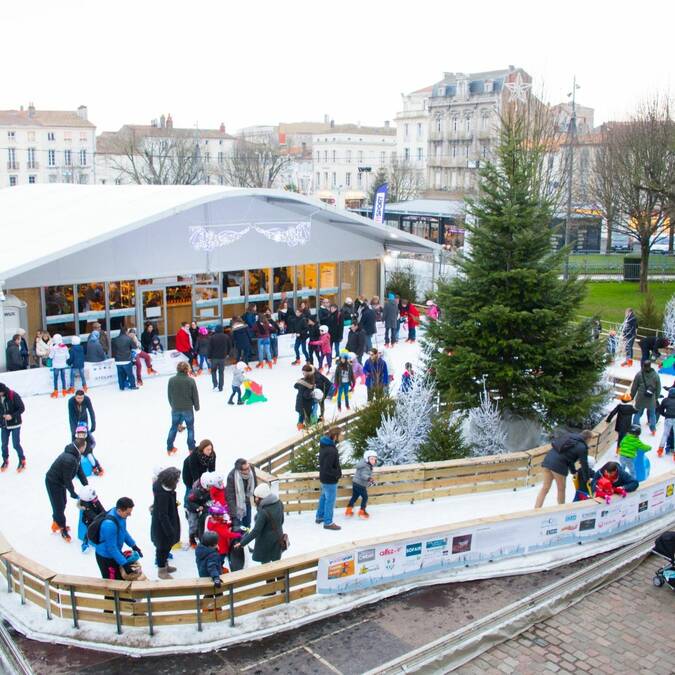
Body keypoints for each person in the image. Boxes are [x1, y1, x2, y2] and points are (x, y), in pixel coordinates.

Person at [534, 430, 592, 508]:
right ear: (588, 439)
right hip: (558, 465)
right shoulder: (582, 447)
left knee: (545, 488)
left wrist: (573, 471)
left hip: (548, 460)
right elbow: (584, 464)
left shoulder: (569, 436)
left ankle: (536, 509)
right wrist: (587, 479)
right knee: (561, 489)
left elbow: (569, 457)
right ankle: (562, 510)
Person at [45, 437, 88, 541]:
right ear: (81, 447)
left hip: (60, 482)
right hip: (53, 482)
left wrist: (85, 484)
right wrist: (72, 492)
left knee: (62, 503)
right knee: (58, 506)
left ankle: (57, 522)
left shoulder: (76, 455)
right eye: (85, 447)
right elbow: (67, 479)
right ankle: (62, 529)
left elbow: (79, 470)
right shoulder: (69, 459)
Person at [234, 483, 286, 564]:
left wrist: (242, 543)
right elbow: (282, 521)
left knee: (266, 570)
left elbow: (256, 531)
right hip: (278, 539)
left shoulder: (263, 511)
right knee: (277, 567)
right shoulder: (279, 503)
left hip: (265, 544)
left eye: (256, 497)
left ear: (259, 498)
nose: (255, 499)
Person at [95, 497, 140, 580]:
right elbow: (111, 548)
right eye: (127, 513)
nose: (130, 515)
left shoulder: (121, 516)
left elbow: (123, 531)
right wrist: (124, 564)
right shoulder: (109, 525)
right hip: (106, 557)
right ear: (119, 510)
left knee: (119, 578)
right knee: (111, 582)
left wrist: (133, 545)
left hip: (115, 554)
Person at [151, 467, 181, 579]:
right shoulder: (163, 494)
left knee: (166, 547)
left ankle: (165, 564)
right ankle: (161, 570)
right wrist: (170, 531)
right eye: (176, 480)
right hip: (162, 528)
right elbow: (163, 515)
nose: (178, 482)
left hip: (168, 522)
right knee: (162, 547)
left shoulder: (165, 489)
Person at [167, 361, 200, 455]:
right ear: (187, 369)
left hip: (175, 408)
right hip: (187, 408)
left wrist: (172, 405)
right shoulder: (190, 380)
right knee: (190, 428)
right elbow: (195, 395)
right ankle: (191, 449)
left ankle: (169, 448)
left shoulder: (171, 380)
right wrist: (197, 406)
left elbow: (169, 395)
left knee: (173, 427)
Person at [315, 427, 342, 530]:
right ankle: (328, 522)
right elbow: (328, 468)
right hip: (330, 480)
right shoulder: (331, 450)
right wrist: (337, 474)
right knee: (330, 500)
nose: (342, 436)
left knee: (324, 497)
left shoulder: (325, 445)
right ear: (335, 436)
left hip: (324, 478)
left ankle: (320, 516)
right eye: (340, 434)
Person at [205, 503, 240, 572]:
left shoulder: (213, 521)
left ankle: (220, 566)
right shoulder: (217, 525)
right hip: (221, 547)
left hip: (217, 546)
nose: (223, 516)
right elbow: (226, 534)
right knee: (220, 559)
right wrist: (237, 535)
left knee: (218, 558)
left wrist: (227, 523)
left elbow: (223, 524)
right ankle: (219, 568)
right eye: (221, 515)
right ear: (216, 515)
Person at [182, 439, 216, 507]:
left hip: (201, 471)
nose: (210, 451)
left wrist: (212, 480)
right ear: (202, 449)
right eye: (207, 449)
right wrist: (198, 483)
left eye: (211, 449)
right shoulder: (194, 456)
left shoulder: (212, 455)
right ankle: (187, 505)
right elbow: (194, 471)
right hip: (188, 473)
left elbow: (212, 469)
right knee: (190, 490)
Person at [225, 458, 257, 530]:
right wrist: (234, 515)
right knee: (239, 526)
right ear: (240, 470)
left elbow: (255, 485)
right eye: (245, 469)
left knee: (247, 523)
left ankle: (247, 537)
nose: (248, 470)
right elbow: (230, 497)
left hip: (247, 500)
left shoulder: (251, 469)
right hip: (237, 502)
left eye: (248, 467)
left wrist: (257, 500)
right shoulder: (231, 476)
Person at [630, 360, 661, 434]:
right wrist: (656, 397)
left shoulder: (639, 374)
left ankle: (635, 427)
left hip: (640, 397)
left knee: (637, 413)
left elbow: (634, 386)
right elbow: (658, 388)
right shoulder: (656, 375)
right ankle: (653, 429)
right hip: (651, 398)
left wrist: (632, 395)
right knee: (652, 414)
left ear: (643, 366)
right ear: (650, 366)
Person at [0, 383, 26, 472]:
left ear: (2, 391)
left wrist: (12, 416)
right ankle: (5, 460)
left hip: (15, 424)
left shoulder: (13, 395)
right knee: (3, 445)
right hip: (4, 425)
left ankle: (22, 460)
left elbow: (22, 408)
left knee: (16, 444)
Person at [187, 472, 216, 546]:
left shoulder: (209, 490)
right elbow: (189, 501)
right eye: (209, 486)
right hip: (193, 509)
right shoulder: (196, 492)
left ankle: (201, 533)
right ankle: (192, 538)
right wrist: (197, 507)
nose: (210, 488)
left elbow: (210, 498)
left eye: (211, 486)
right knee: (193, 524)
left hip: (203, 505)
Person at [346, 450, 377, 518]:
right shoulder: (366, 466)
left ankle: (348, 510)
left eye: (375, 459)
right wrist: (369, 478)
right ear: (367, 458)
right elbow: (363, 475)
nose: (373, 461)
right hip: (360, 484)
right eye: (371, 459)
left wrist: (369, 480)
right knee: (365, 497)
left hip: (356, 483)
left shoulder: (364, 464)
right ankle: (362, 511)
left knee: (354, 497)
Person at [76, 485, 105, 553]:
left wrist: (105, 515)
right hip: (88, 520)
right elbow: (93, 516)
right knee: (90, 528)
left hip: (97, 516)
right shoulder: (86, 506)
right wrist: (101, 518)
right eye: (94, 498)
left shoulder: (94, 499)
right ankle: (85, 542)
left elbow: (101, 508)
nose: (96, 499)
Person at [208, 325, 232, 392]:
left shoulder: (212, 337)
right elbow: (230, 346)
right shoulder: (226, 337)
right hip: (222, 357)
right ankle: (221, 387)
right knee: (221, 372)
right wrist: (227, 354)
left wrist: (209, 357)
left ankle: (215, 385)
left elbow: (210, 348)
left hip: (214, 358)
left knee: (213, 371)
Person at [49, 334, 70, 398]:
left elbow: (51, 356)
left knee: (55, 379)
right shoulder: (65, 347)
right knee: (63, 378)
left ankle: (56, 392)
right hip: (63, 365)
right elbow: (68, 356)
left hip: (56, 366)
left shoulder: (54, 347)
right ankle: (64, 391)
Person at [657, 388, 675, 457]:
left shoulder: (665, 400)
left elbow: (661, 410)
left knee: (665, 434)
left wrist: (665, 415)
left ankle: (660, 450)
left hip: (668, 419)